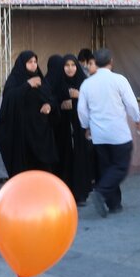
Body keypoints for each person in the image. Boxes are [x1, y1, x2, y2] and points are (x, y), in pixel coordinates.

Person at [77, 48, 140, 217]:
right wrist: (137, 120)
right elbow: (130, 103)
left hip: (99, 136)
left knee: (107, 169)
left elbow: (82, 111)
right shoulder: (119, 80)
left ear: (95, 62)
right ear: (111, 61)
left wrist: (86, 126)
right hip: (118, 134)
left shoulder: (87, 83)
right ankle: (101, 192)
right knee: (120, 167)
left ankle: (114, 204)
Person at [0, 51, 57, 178]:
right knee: (25, 170)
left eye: (35, 62)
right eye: (30, 62)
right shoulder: (15, 79)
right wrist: (27, 85)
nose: (33, 65)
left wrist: (49, 105)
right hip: (23, 133)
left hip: (41, 132)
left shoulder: (40, 78)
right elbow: (9, 99)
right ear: (22, 63)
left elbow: (51, 97)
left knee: (44, 169)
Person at [52, 52, 93, 202]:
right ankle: (65, 192)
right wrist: (60, 104)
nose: (70, 69)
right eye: (66, 65)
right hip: (63, 130)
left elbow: (93, 102)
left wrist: (80, 95)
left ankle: (80, 192)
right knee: (66, 158)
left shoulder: (84, 83)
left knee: (81, 158)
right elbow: (50, 100)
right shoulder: (58, 83)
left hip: (80, 128)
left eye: (73, 65)